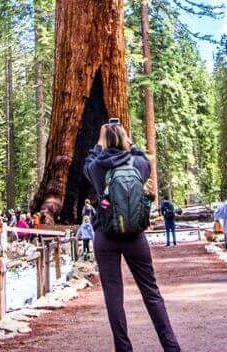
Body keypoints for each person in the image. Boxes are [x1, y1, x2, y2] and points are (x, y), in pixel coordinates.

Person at [84, 123, 180, 352]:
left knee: (113, 295)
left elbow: (87, 164)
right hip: (136, 237)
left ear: (104, 141)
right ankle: (171, 346)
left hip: (105, 236)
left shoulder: (97, 167)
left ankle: (124, 348)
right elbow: (145, 159)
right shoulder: (138, 163)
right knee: (151, 292)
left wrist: (99, 144)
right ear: (125, 139)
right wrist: (130, 143)